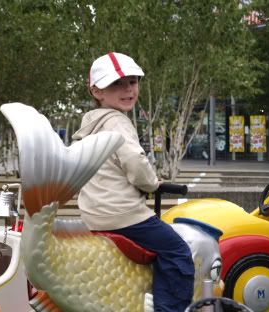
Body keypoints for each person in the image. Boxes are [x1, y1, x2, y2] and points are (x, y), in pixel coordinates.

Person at [72, 52, 194, 312]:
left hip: (95, 213)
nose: (128, 89)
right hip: (123, 214)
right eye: (117, 84)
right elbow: (136, 163)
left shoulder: (90, 124)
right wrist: (152, 184)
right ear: (96, 91)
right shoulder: (118, 122)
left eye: (132, 82)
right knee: (177, 251)